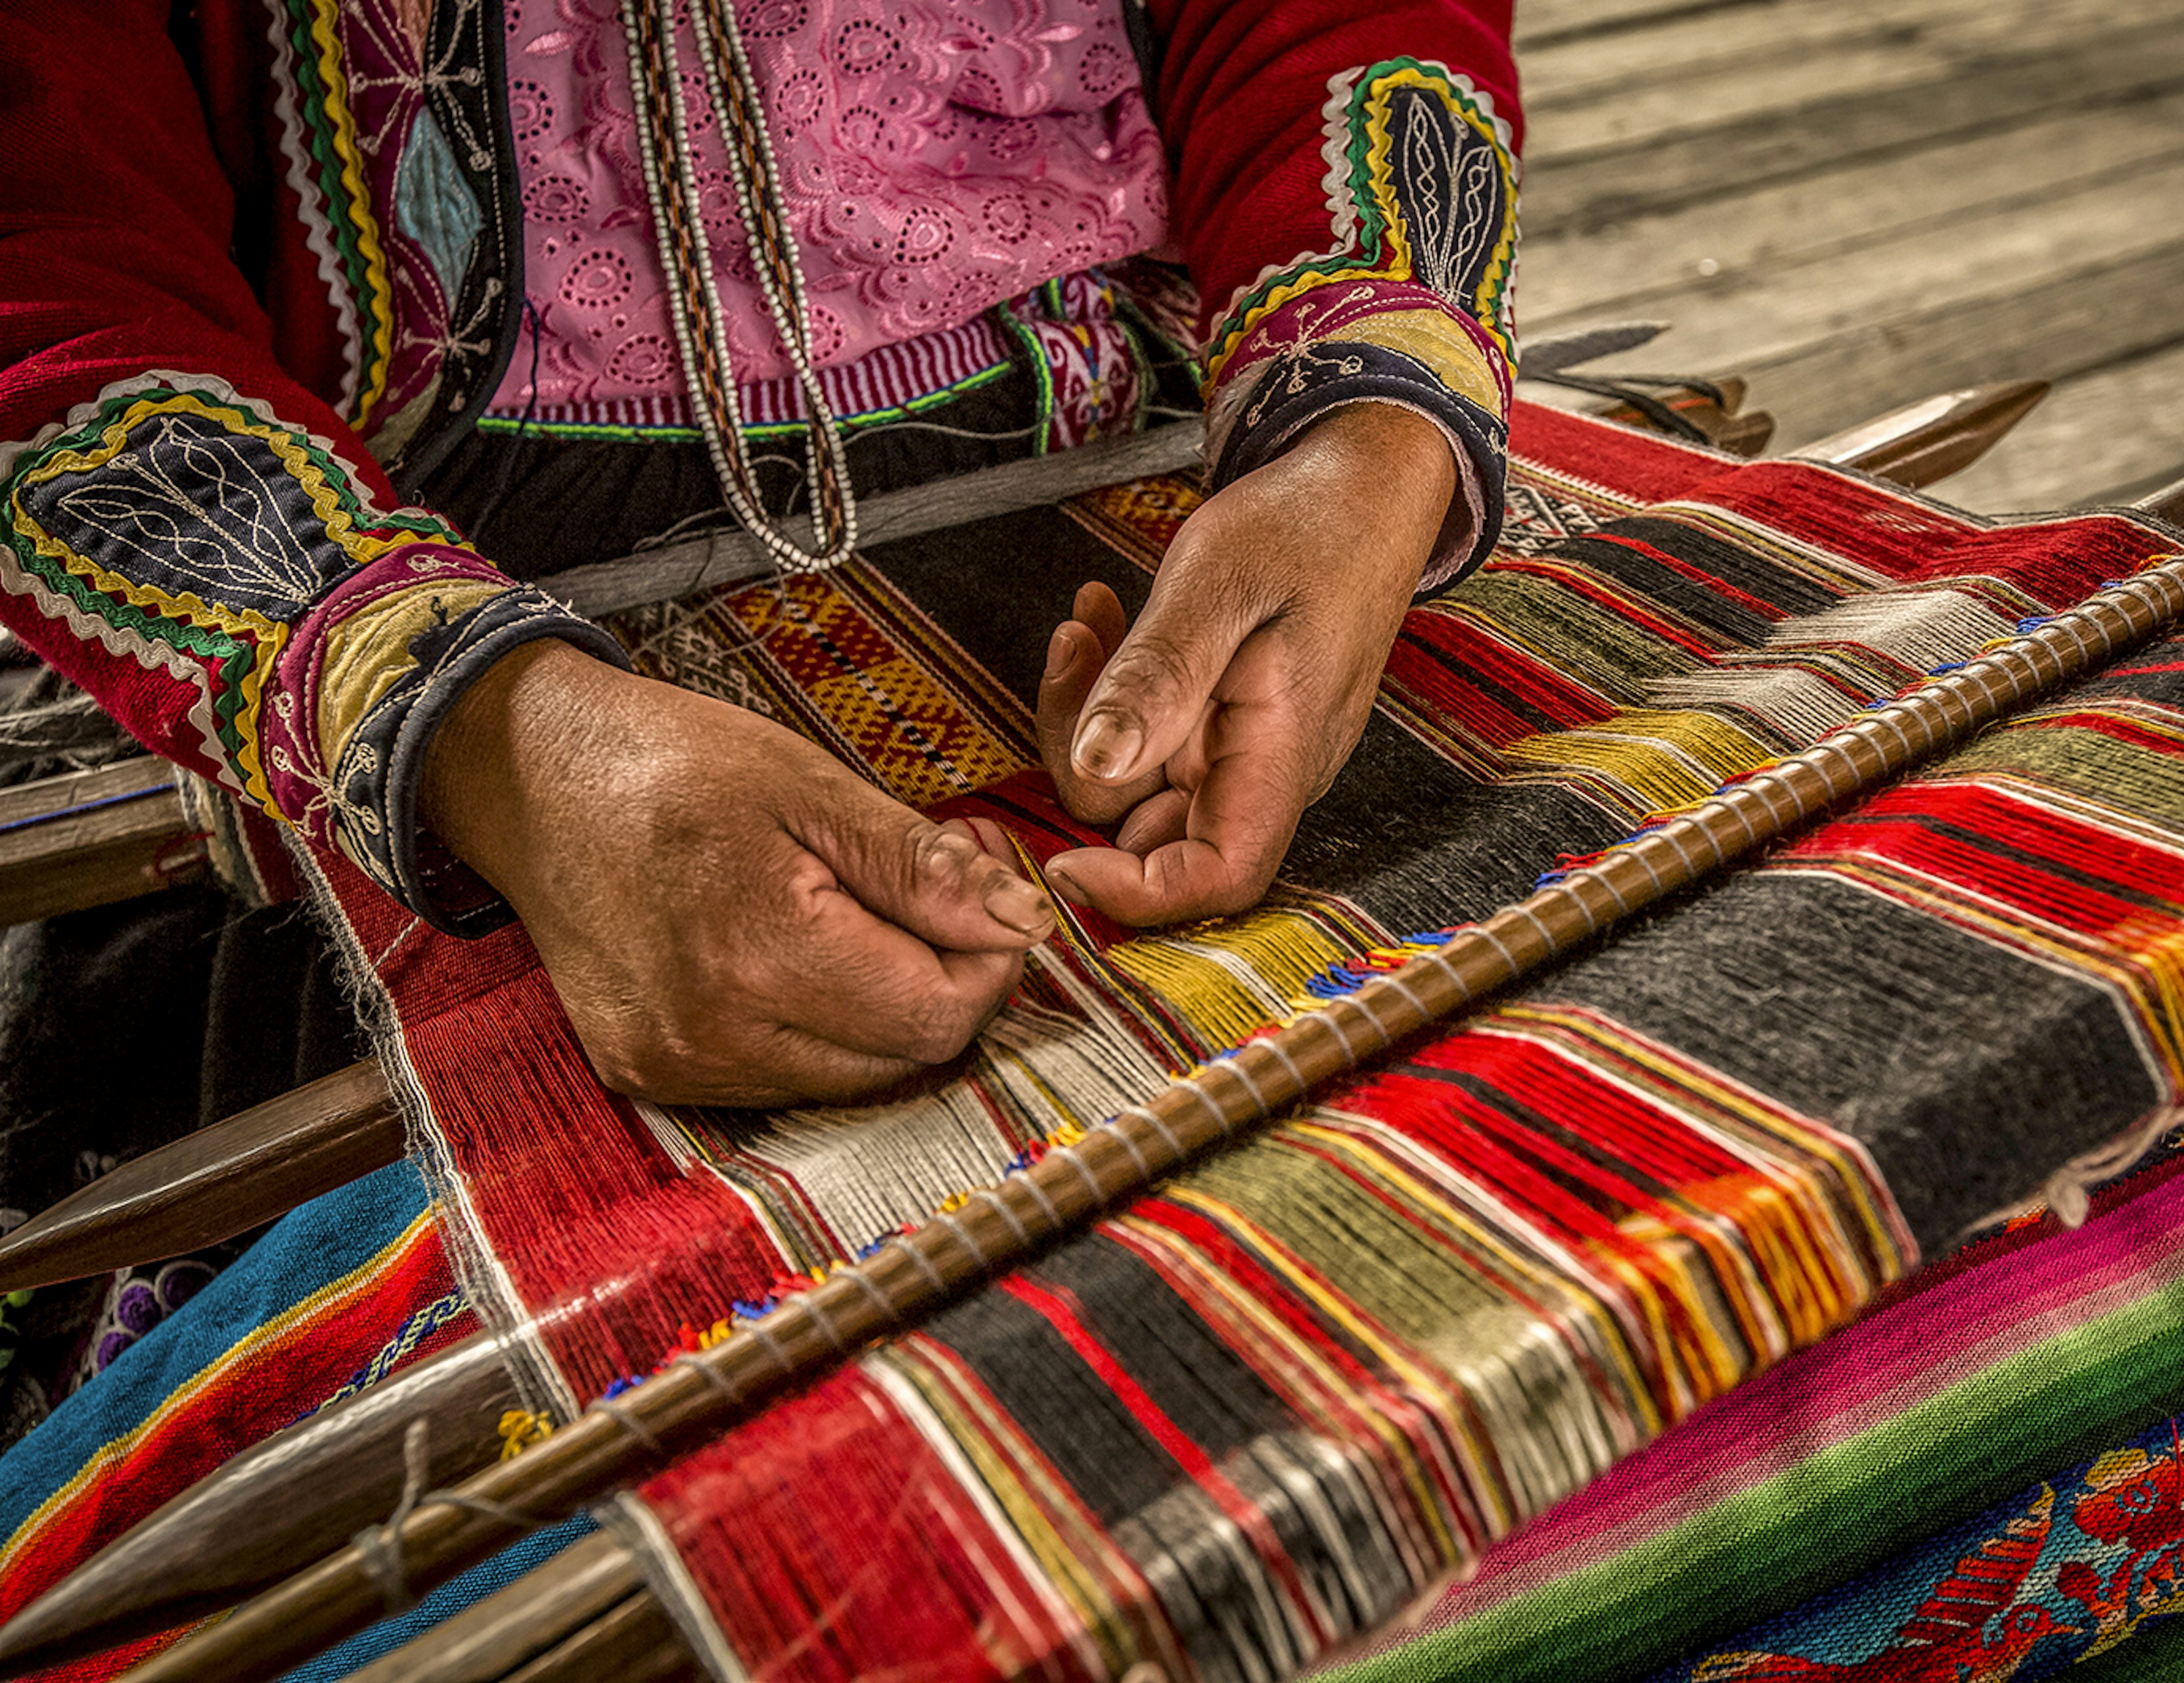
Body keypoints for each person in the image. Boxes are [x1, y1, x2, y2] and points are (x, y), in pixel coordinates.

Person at [0, 0, 1521, 1113]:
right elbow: (45, 268)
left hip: (1135, 493)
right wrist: (488, 737)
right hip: (383, 622)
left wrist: (1366, 446)